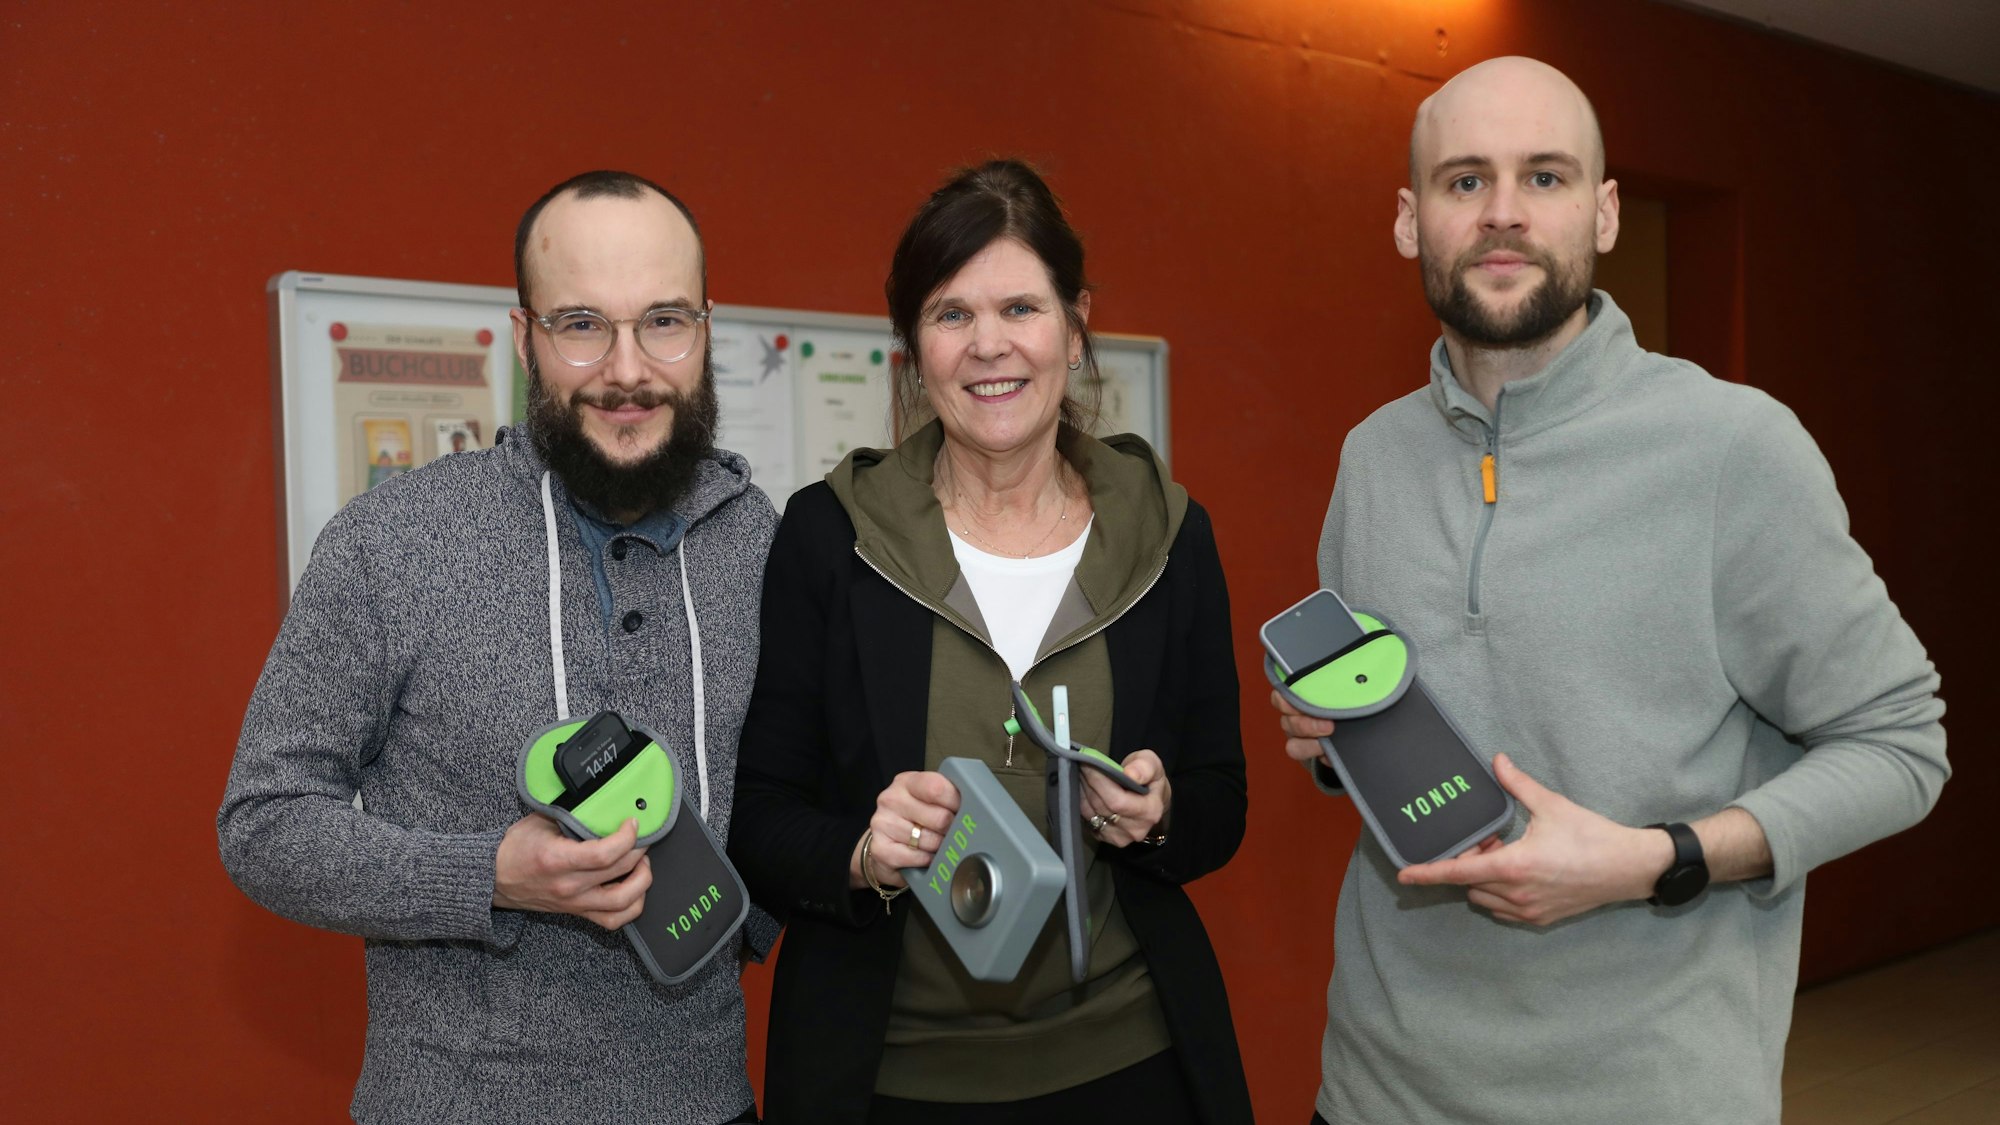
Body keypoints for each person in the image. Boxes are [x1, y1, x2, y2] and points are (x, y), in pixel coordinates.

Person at [1273, 57, 1948, 1125]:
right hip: (1376, 1092)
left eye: (1543, 178)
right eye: (1462, 182)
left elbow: (1901, 746)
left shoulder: (1734, 450)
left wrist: (1654, 860)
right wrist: (1334, 746)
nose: (1502, 214)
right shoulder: (1373, 458)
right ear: (1408, 221)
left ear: (1604, 211)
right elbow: (1418, 722)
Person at [219, 170, 777, 1124]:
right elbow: (264, 823)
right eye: (582, 324)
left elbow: (784, 805)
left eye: (664, 321)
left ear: (706, 331)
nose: (628, 369)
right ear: (524, 338)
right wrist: (489, 875)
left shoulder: (762, 544)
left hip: (708, 1100)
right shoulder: (392, 540)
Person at [730, 160, 1253, 1125]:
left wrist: (1163, 810)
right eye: (950, 314)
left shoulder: (1170, 533)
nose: (989, 346)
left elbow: (1224, 798)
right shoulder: (828, 535)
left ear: (1075, 321)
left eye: (1020, 306)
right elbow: (759, 814)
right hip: (889, 1075)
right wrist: (860, 851)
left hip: (1131, 1061)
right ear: (912, 346)